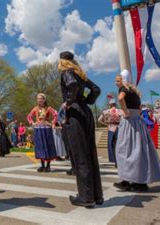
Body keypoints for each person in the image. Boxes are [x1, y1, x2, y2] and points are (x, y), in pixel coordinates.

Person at [59, 51, 103, 207]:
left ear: (62, 61)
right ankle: (96, 195)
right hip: (86, 111)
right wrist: (88, 101)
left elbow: (71, 85)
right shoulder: (81, 74)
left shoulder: (66, 72)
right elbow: (96, 89)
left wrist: (69, 102)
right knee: (90, 153)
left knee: (79, 154)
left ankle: (86, 197)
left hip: (75, 114)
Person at [114, 70, 160, 192]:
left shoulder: (123, 89)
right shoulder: (135, 91)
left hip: (129, 122)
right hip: (138, 123)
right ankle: (138, 181)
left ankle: (127, 181)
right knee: (139, 151)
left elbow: (120, 99)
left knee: (124, 151)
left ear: (123, 80)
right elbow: (138, 107)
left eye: (118, 80)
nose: (116, 83)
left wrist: (125, 111)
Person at [27, 93, 58, 172]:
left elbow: (56, 114)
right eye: (38, 98)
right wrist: (33, 123)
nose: (39, 100)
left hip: (46, 129)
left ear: (44, 100)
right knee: (40, 147)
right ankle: (42, 165)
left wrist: (51, 123)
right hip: (38, 129)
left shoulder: (48, 108)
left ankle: (48, 166)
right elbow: (29, 116)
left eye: (41, 98)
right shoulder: (35, 108)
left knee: (47, 146)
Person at [97, 99, 122, 166]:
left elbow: (99, 120)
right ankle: (119, 160)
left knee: (111, 145)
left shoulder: (106, 111)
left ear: (110, 105)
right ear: (115, 104)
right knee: (119, 145)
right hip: (119, 128)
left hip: (111, 128)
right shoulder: (120, 111)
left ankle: (114, 160)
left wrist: (106, 123)